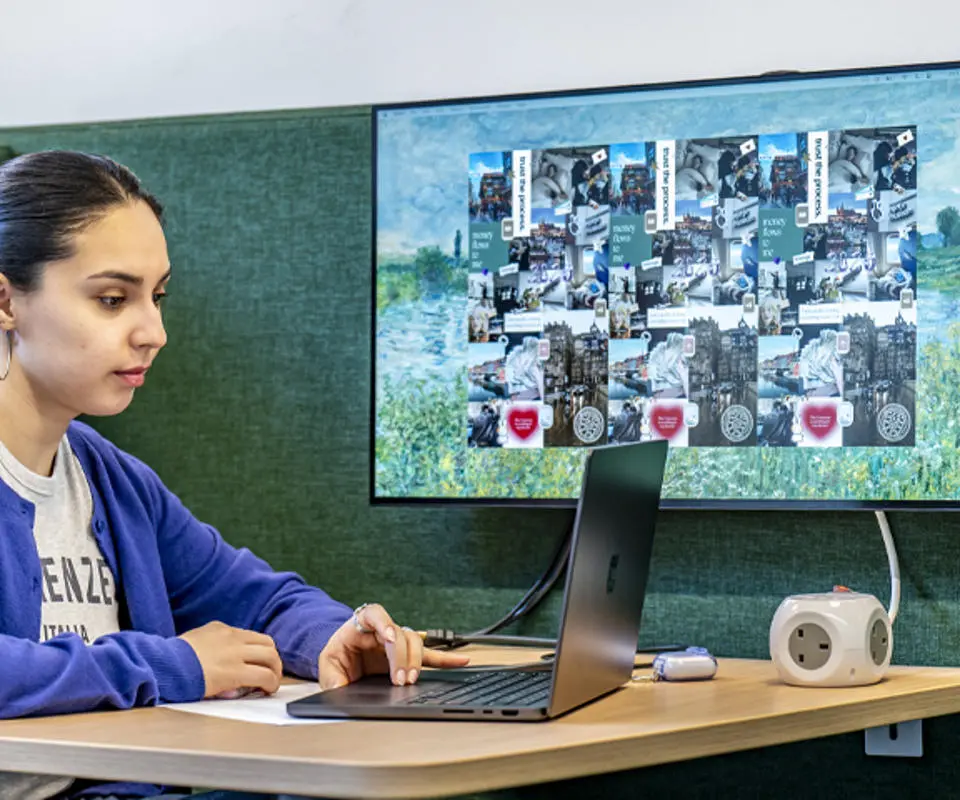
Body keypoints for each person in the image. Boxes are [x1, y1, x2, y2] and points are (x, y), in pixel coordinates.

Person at [0, 151, 469, 800]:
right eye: (113, 299)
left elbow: (258, 600)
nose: (153, 332)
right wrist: (178, 664)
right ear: (5, 301)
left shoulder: (110, 479)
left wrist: (337, 634)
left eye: (156, 297)